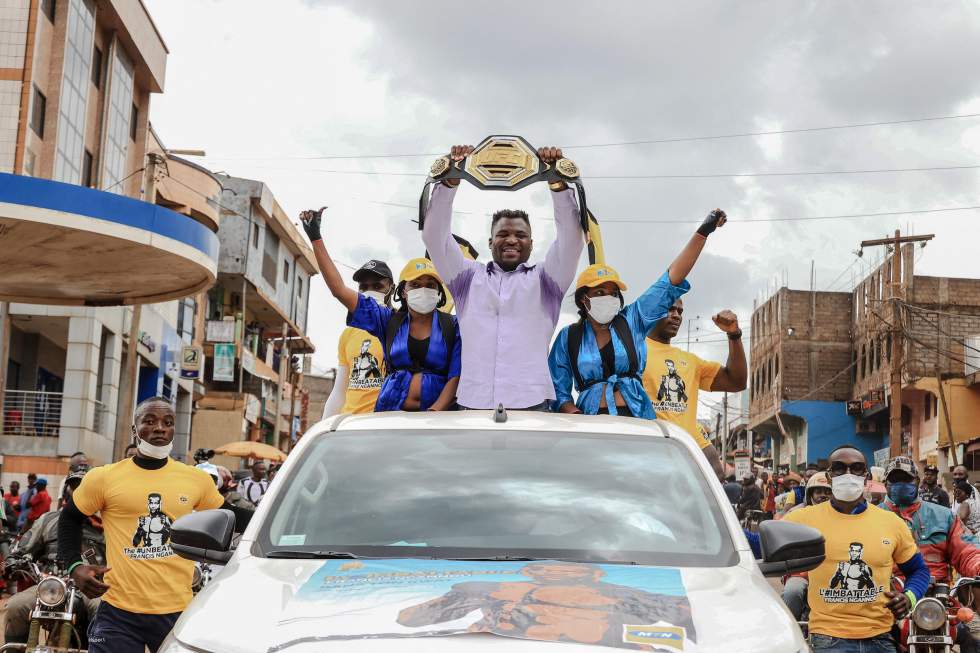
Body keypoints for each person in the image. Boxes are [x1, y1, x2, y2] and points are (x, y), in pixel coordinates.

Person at [58, 396, 254, 653]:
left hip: (177, 611)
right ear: (135, 430)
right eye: (149, 421)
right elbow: (69, 517)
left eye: (168, 422)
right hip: (118, 612)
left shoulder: (195, 479)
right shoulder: (104, 478)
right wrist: (74, 566)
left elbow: (229, 515)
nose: (160, 427)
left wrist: (280, 516)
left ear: (174, 429)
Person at [421, 144, 584, 410]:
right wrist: (450, 180)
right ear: (490, 242)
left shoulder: (547, 279)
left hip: (531, 404)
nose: (511, 240)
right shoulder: (467, 278)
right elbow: (434, 237)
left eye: (520, 235)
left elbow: (571, 240)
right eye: (503, 234)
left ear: (531, 243)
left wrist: (558, 185)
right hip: (473, 403)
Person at [549, 210, 727, 420]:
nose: (608, 297)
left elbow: (669, 280)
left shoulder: (632, 320)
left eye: (613, 293)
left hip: (636, 419)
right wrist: (576, 414)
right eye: (599, 293)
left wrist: (703, 231)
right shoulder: (569, 337)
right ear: (583, 299)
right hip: (590, 423)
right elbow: (557, 389)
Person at [300, 203, 462, 411]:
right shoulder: (388, 321)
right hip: (389, 418)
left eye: (430, 285)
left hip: (436, 422)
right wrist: (316, 238)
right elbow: (339, 290)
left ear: (439, 292)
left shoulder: (452, 326)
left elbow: (456, 376)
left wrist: (433, 413)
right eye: (415, 284)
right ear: (403, 291)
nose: (423, 290)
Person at [783, 444, 930, 652]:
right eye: (840, 468)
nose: (848, 474)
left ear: (866, 475)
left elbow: (919, 570)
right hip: (828, 638)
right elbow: (759, 542)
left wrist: (910, 596)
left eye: (857, 468)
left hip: (880, 637)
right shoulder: (803, 519)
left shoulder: (891, 522)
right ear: (829, 475)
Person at [880, 456, 980, 652]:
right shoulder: (872, 517)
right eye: (895, 480)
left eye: (906, 479)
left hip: (940, 599)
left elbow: (967, 550)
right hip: (891, 600)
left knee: (974, 638)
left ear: (917, 481)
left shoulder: (945, 516)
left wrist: (978, 565)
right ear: (885, 484)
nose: (901, 485)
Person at [643, 300, 745, 480]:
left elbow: (736, 381)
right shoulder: (634, 352)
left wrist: (734, 335)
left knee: (715, 474)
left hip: (687, 445)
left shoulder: (690, 361)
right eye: (670, 309)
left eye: (680, 311)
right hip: (652, 447)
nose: (676, 315)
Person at [4, 468, 104, 645]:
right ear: (67, 491)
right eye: (74, 486)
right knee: (15, 607)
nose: (78, 491)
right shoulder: (49, 519)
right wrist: (13, 560)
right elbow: (23, 549)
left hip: (91, 588)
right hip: (51, 586)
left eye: (84, 485)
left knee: (103, 611)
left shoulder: (107, 521)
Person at [321, 259, 393, 418]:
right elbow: (339, 391)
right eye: (364, 287)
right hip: (352, 427)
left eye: (377, 286)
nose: (369, 291)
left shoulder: (401, 326)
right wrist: (324, 427)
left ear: (391, 290)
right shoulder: (348, 334)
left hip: (386, 423)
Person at [781, 471, 833, 621]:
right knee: (792, 591)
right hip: (802, 572)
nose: (823, 495)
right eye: (818, 491)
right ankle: (792, 629)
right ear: (810, 494)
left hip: (833, 571)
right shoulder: (797, 514)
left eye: (827, 491)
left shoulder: (845, 516)